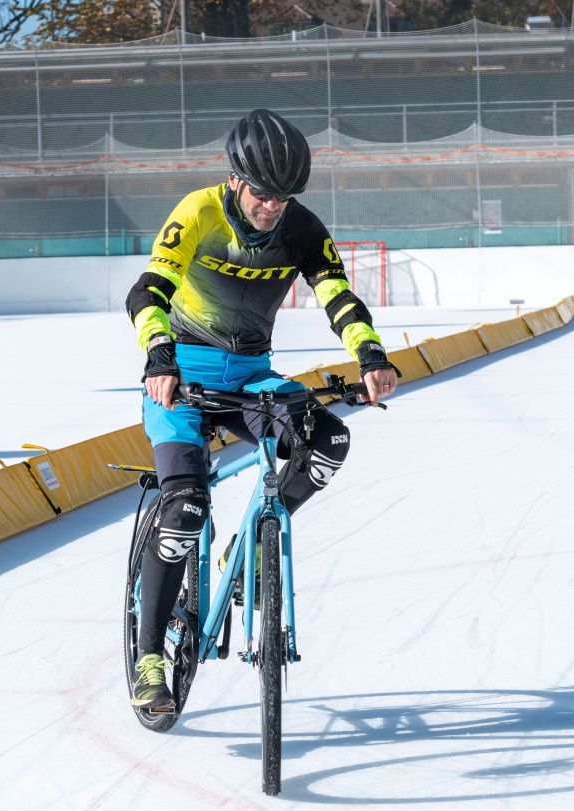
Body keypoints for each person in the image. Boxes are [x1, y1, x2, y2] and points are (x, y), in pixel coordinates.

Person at [124, 108, 400, 711]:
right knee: (186, 501)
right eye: (263, 194)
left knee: (327, 442)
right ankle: (149, 656)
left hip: (253, 379)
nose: (273, 206)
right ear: (234, 179)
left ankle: (246, 553)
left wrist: (371, 354)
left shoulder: (301, 227)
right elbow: (148, 291)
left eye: (284, 196)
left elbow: (338, 295)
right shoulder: (197, 212)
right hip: (183, 379)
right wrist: (159, 358)